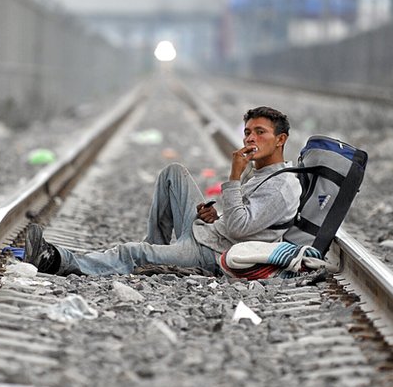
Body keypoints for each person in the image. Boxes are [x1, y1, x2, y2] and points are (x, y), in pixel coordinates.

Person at [23, 106, 302, 276]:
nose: (250, 138)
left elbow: (241, 229)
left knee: (129, 251)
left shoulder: (281, 187)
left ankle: (56, 259)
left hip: (213, 253)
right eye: (248, 132)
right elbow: (242, 217)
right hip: (211, 233)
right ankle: (155, 248)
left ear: (281, 140)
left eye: (260, 132)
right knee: (174, 173)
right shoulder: (264, 172)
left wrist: (233, 176)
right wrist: (216, 214)